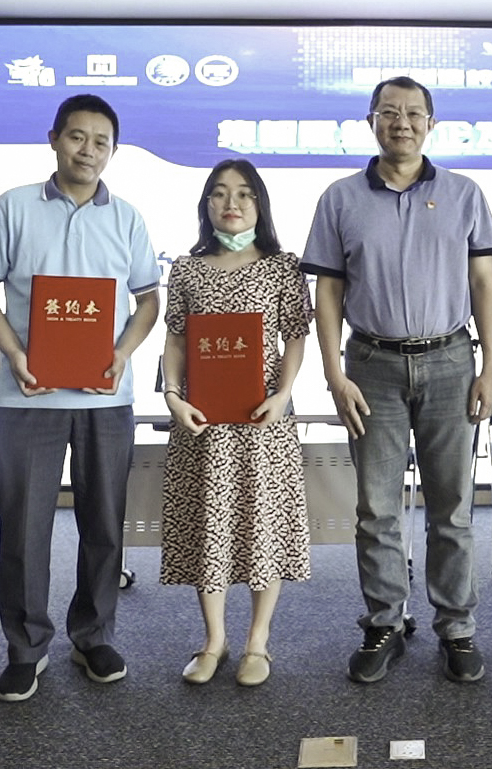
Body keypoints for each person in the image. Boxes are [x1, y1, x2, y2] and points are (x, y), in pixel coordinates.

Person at [301, 76, 492, 684]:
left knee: (453, 508)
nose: (402, 123)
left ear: (431, 125)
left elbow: (484, 283)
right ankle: (384, 622)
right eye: (389, 112)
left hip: (450, 362)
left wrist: (491, 367)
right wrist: (333, 372)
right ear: (371, 123)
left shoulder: (464, 193)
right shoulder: (340, 198)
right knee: (376, 508)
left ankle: (457, 628)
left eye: (414, 113)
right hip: (372, 365)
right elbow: (328, 290)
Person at [0, 93, 161, 702]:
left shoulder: (127, 217)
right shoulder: (14, 205)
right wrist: (15, 352)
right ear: (54, 139)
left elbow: (148, 301)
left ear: (113, 151)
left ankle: (93, 636)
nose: (88, 150)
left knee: (104, 523)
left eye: (101, 142)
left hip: (105, 397)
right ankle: (26, 648)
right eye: (77, 137)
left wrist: (123, 352)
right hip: (27, 396)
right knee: (23, 529)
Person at [159, 159, 313, 688]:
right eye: (220, 193)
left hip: (262, 421)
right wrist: (173, 395)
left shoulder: (283, 266)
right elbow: (175, 339)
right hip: (202, 424)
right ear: (205, 204)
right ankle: (214, 642)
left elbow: (295, 336)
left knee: (261, 526)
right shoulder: (186, 268)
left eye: (245, 193)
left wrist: (283, 395)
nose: (232, 203)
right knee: (209, 525)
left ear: (260, 204)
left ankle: (257, 643)